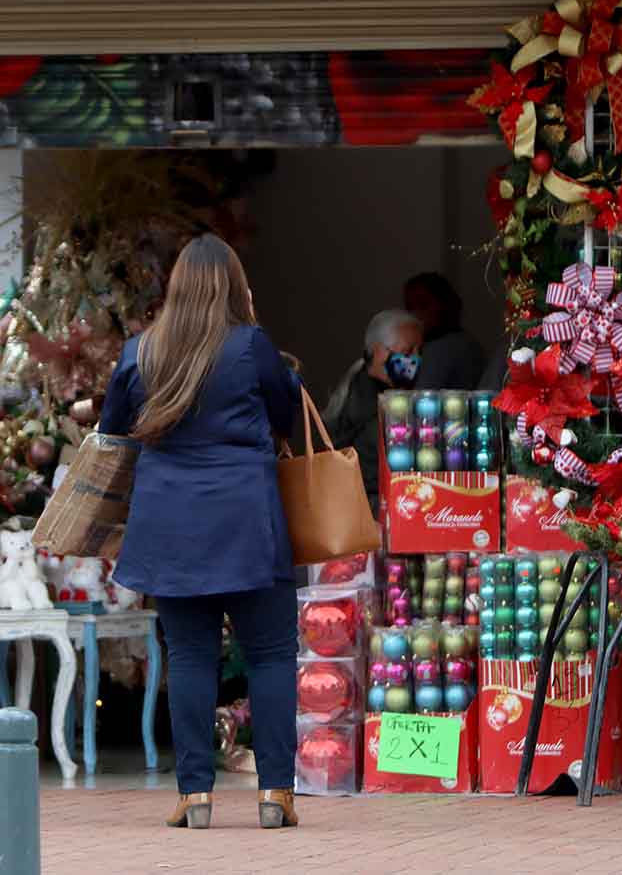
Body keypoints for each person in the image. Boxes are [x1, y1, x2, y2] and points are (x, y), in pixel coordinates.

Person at [98, 234, 302, 831]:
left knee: (189, 657)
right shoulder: (250, 346)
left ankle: (195, 796)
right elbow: (285, 413)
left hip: (169, 523)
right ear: (234, 287)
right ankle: (275, 794)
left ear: (176, 286)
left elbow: (114, 433)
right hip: (247, 520)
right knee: (270, 655)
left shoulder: (141, 352)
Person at [323, 309, 424, 512]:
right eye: (408, 351)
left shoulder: (374, 390)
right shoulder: (365, 402)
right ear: (378, 351)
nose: (415, 358)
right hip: (371, 511)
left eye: (419, 351)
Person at [403, 272, 493, 390]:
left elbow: (419, 397)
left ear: (444, 304)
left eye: (423, 304)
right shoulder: (467, 341)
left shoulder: (443, 348)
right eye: (409, 307)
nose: (415, 314)